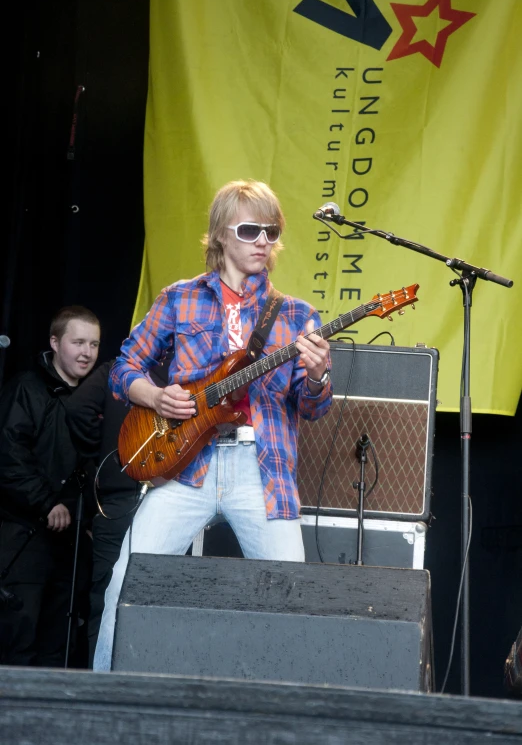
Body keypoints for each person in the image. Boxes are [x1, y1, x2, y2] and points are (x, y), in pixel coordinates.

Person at [94, 180, 332, 671]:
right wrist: (157, 396)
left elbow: (311, 409)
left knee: (292, 598)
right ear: (221, 236)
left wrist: (316, 375)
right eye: (250, 229)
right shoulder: (179, 299)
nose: (263, 240)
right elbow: (123, 370)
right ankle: (101, 700)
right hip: (186, 466)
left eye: (271, 231)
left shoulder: (296, 314)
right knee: (126, 580)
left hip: (259, 468)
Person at [0, 305, 100, 666]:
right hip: (25, 535)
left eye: (93, 344)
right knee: (18, 637)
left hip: (71, 546)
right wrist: (46, 504)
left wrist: (88, 522)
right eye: (78, 342)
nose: (86, 352)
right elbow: (9, 457)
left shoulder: (95, 400)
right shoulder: (27, 389)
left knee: (60, 643)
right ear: (55, 343)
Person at [65, 355, 171, 667]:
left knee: (107, 595)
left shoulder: (116, 368)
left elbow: (76, 409)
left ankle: (104, 684)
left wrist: (106, 453)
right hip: (162, 493)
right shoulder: (192, 369)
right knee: (157, 598)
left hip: (121, 495)